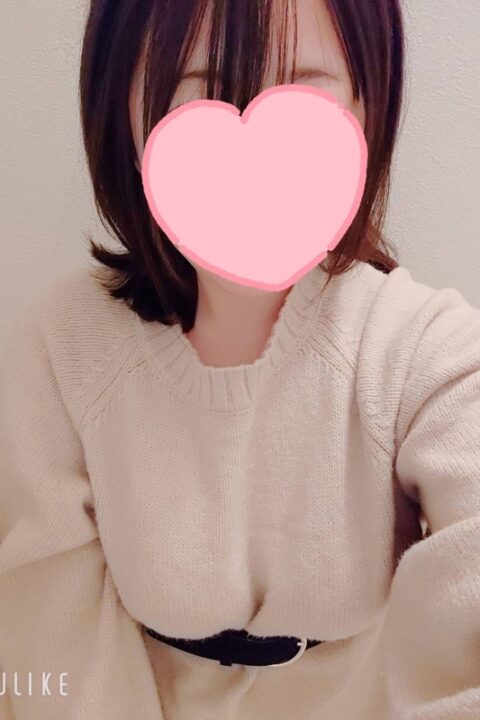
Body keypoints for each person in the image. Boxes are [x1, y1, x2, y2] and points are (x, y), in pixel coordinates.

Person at [1, 0, 480, 718]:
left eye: (306, 91)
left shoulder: (422, 349)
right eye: (203, 92)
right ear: (123, 109)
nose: (255, 144)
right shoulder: (61, 346)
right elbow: (50, 645)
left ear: (366, 108)